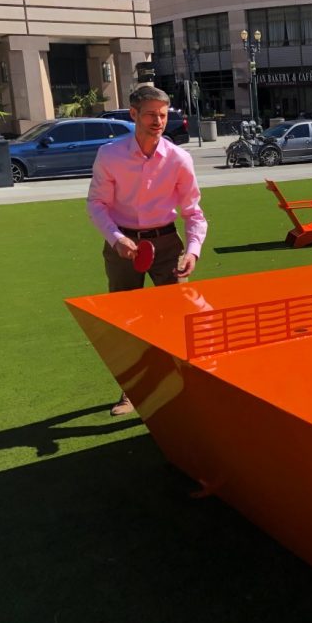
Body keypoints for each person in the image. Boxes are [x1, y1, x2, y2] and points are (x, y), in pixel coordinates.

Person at [88, 85, 208, 416]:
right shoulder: (110, 155)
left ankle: (184, 384)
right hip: (122, 245)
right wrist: (116, 238)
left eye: (164, 114)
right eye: (152, 114)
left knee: (178, 319)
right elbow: (97, 204)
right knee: (127, 322)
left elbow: (194, 212)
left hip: (167, 245)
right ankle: (132, 392)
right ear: (133, 114)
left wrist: (193, 251)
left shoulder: (179, 158)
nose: (159, 120)